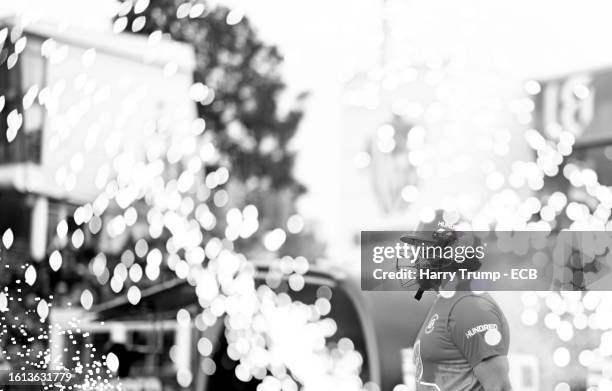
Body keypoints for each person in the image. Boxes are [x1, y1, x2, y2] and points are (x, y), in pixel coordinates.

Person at [401, 211, 512, 391]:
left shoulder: (469, 306)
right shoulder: (448, 302)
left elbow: (499, 387)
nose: (415, 261)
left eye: (422, 251)